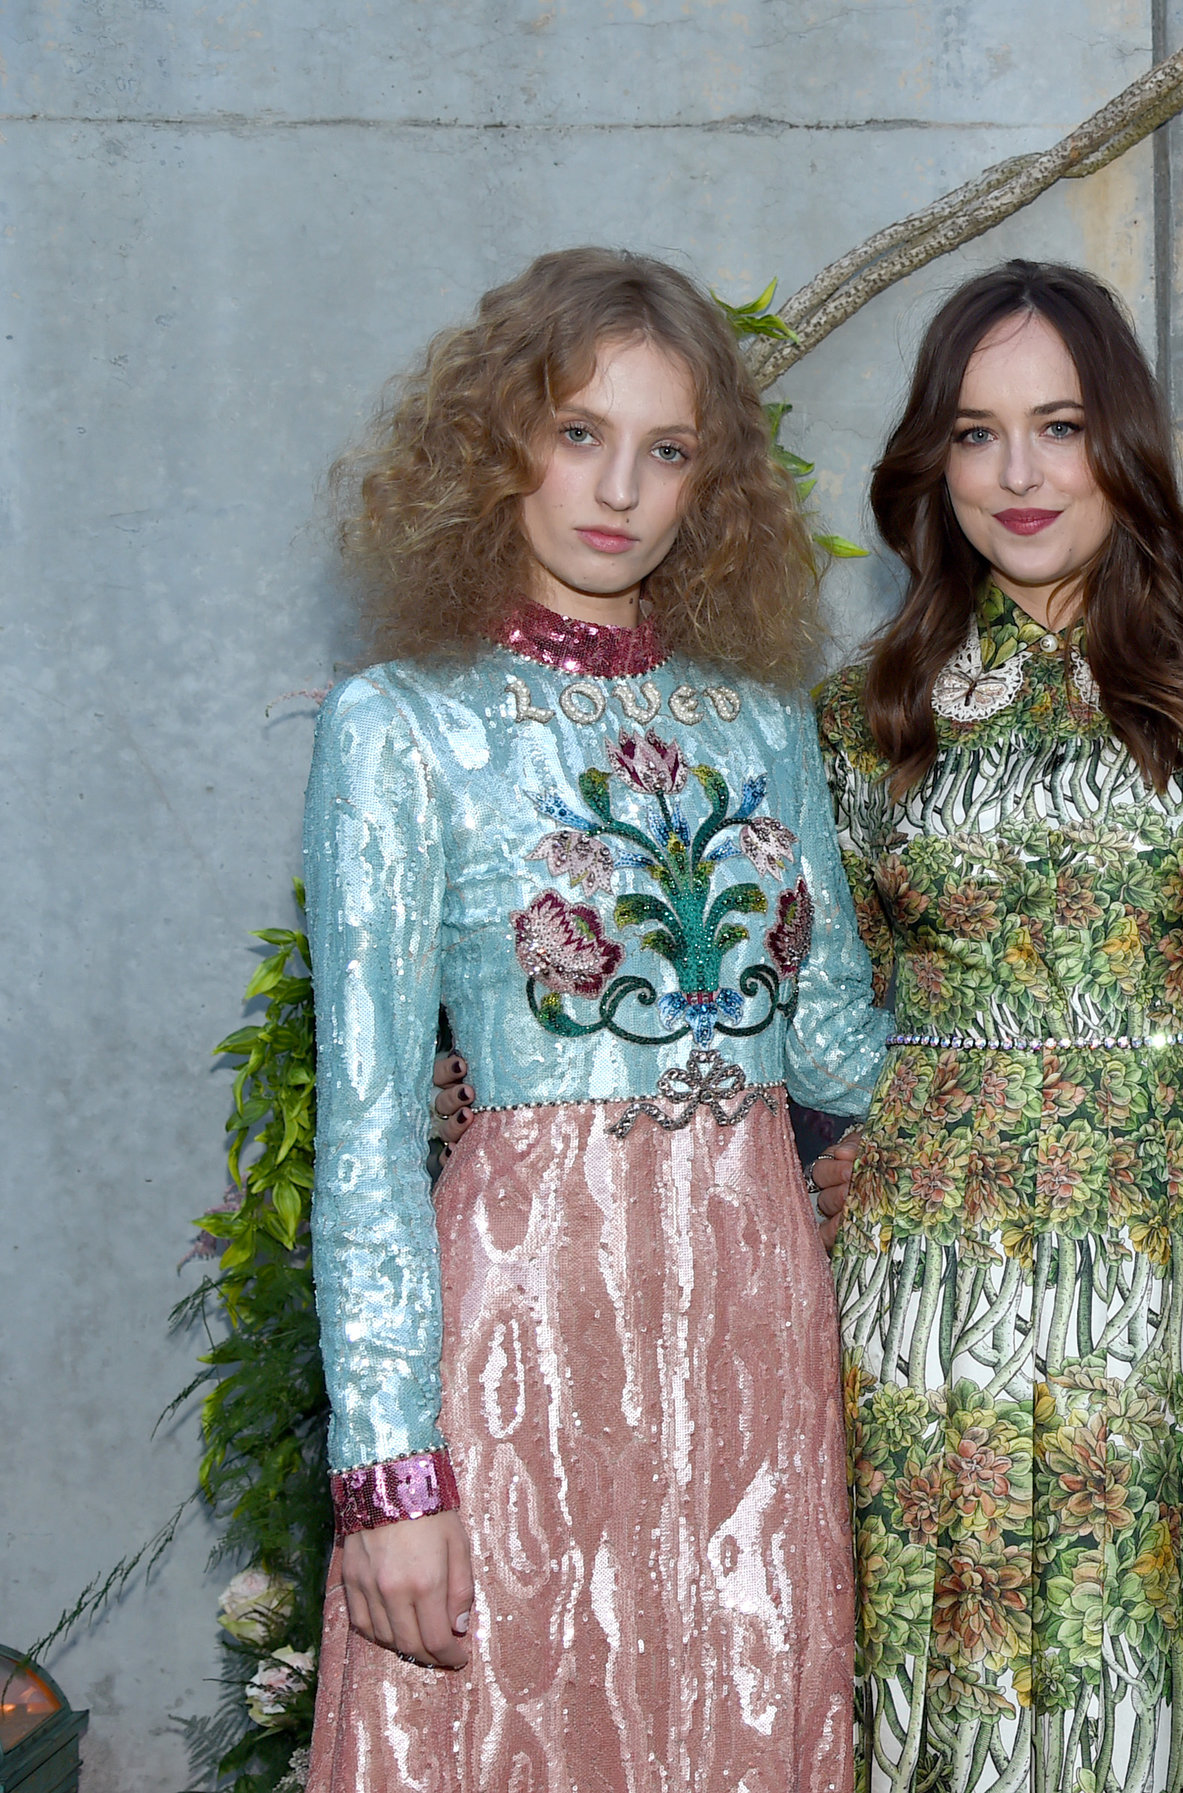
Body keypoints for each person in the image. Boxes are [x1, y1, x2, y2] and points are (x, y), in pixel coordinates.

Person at [302, 248, 884, 1791]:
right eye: (578, 432)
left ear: (713, 484)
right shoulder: (401, 722)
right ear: (499, 444)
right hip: (521, 1361)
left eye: (668, 448)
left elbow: (838, 1054)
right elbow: (361, 1136)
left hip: (757, 1343)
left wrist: (1119, 1034)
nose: (618, 486)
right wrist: (388, 1473)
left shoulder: (765, 721)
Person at [811, 261, 1183, 1793]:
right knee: (937, 1693)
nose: (1022, 474)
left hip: (1175, 1292)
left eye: (1059, 426)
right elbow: (814, 1018)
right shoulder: (860, 717)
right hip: (922, 1303)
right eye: (977, 435)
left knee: (1154, 1701)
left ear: (1124, 444)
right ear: (936, 462)